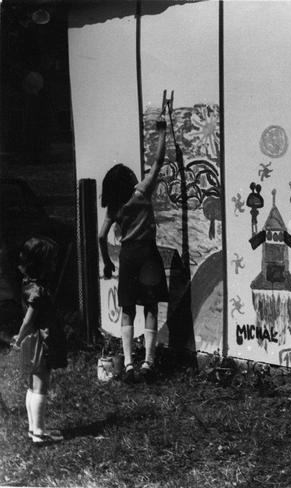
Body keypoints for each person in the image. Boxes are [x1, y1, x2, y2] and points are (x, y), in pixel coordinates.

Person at [98, 105, 168, 384]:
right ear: (129, 181)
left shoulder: (114, 208)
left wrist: (107, 263)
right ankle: (149, 362)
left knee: (128, 308)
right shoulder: (142, 191)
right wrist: (162, 135)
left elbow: (102, 237)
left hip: (127, 256)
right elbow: (158, 163)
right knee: (150, 307)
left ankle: (127, 363)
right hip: (148, 254)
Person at [12, 237, 67, 445]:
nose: (54, 265)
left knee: (32, 385)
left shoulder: (28, 285)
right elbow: (28, 321)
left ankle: (33, 428)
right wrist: (21, 336)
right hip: (41, 342)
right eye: (51, 261)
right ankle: (39, 433)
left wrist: (22, 337)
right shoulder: (38, 291)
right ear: (42, 265)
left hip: (32, 341)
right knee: (41, 385)